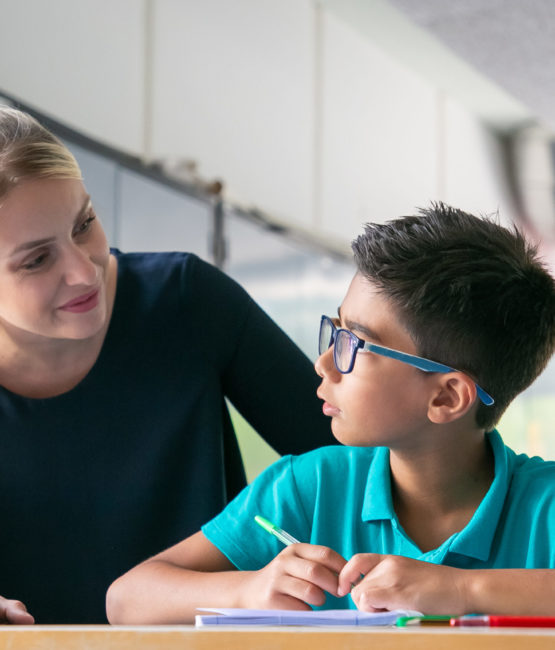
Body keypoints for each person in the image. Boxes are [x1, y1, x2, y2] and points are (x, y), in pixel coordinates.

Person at [106, 204, 555, 624]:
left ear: (446, 398)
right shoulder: (309, 487)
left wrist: (461, 589)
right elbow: (126, 599)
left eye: (353, 345)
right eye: (335, 329)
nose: (322, 364)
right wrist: (248, 590)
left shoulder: (545, 507)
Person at [0, 106, 336, 624]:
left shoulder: (186, 301)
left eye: (84, 223)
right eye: (37, 260)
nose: (83, 270)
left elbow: (362, 462)